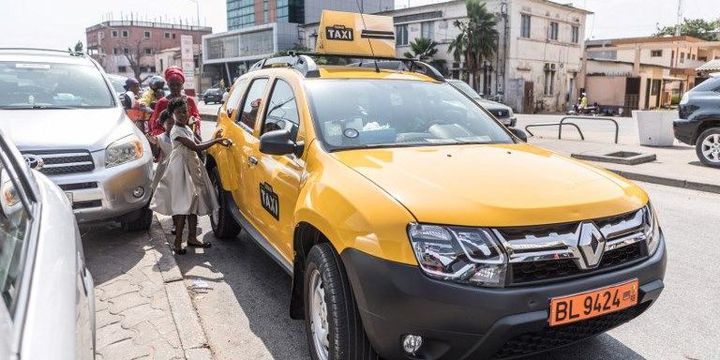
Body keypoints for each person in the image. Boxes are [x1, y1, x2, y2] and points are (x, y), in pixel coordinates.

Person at [149, 97, 231, 254]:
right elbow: (196, 147)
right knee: (182, 207)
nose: (182, 115)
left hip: (191, 167)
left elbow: (198, 141)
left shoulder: (186, 128)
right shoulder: (176, 131)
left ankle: (192, 238)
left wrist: (213, 138)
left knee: (193, 204)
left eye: (185, 111)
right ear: (171, 114)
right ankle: (178, 243)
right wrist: (217, 140)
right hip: (181, 171)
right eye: (178, 112)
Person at [149, 66, 201, 138]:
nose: (175, 87)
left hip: (188, 137)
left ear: (182, 84)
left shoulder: (190, 101)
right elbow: (155, 125)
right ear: (167, 84)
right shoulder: (161, 103)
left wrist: (194, 121)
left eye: (178, 84)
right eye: (172, 84)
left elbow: (196, 118)